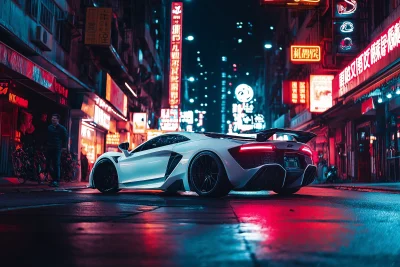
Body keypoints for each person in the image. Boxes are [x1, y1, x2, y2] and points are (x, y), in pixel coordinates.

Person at [46, 114, 68, 187]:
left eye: (54, 118)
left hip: (57, 148)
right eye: (52, 118)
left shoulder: (62, 128)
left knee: (56, 164)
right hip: (49, 147)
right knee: (47, 164)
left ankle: (56, 180)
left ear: (58, 120)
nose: (53, 119)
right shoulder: (49, 127)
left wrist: (64, 147)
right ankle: (54, 178)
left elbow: (65, 138)